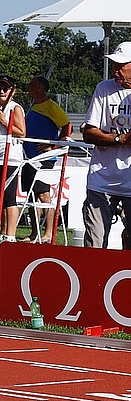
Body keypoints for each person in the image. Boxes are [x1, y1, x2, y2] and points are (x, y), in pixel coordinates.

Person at [81, 41, 131, 249]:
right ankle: (91, 281)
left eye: (121, 65)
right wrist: (119, 140)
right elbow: (88, 132)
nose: (115, 70)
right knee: (95, 244)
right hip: (101, 180)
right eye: (114, 65)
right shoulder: (104, 88)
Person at [20, 75, 71, 243]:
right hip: (28, 157)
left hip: (44, 158)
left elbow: (66, 126)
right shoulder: (33, 106)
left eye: (31, 85)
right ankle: (35, 232)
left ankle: (49, 233)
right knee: (32, 197)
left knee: (44, 196)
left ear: (40, 88)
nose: (28, 88)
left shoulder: (51, 107)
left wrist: (54, 146)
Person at [0, 76, 26, 242]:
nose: (2, 91)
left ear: (12, 91)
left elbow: (22, 132)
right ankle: (1, 231)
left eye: (5, 89)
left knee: (9, 198)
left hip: (10, 158)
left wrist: (5, 121)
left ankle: (11, 235)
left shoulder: (14, 108)